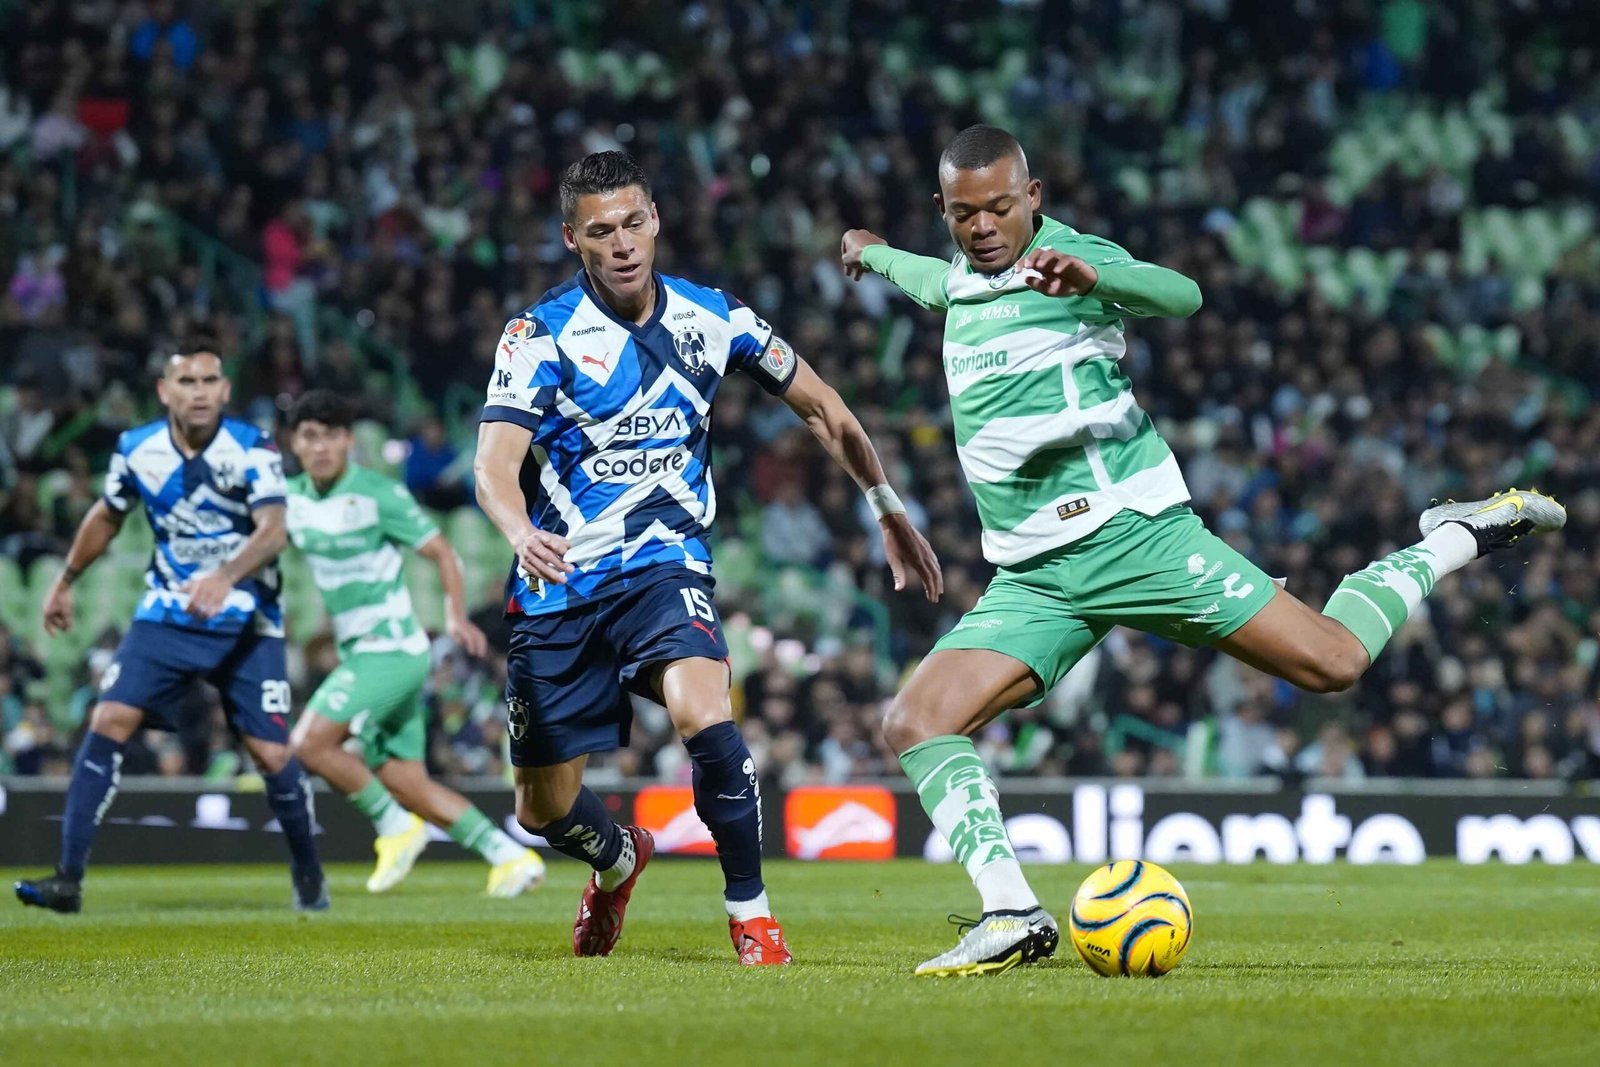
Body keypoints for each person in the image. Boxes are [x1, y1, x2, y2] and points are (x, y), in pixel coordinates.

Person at [840, 124, 1566, 977]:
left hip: (1133, 535)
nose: (986, 227)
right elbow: (934, 284)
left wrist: (1097, 274)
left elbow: (1180, 294)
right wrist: (874, 251)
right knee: (915, 720)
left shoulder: (1069, 260)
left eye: (1003, 206)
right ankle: (1011, 912)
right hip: (1035, 574)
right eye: (966, 215)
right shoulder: (964, 275)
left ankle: (1454, 535)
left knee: (1332, 663)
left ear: (1033, 197)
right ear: (945, 213)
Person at [474, 151, 941, 966]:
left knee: (705, 712)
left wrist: (886, 505)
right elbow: (492, 464)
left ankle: (752, 914)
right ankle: (619, 857)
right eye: (599, 231)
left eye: (632, 223)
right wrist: (519, 532)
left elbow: (825, 411)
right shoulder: (537, 335)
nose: (620, 244)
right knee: (541, 811)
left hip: (664, 568)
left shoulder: (713, 317)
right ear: (570, 239)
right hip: (560, 581)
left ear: (655, 218)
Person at [15, 333, 326, 914]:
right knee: (107, 719)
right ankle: (68, 879)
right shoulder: (136, 449)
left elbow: (273, 530)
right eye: (187, 381)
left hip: (247, 618)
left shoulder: (252, 447)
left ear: (226, 389)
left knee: (271, 755)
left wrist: (224, 578)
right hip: (168, 613)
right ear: (164, 390)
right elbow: (107, 516)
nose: (200, 392)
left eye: (210, 381)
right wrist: (64, 581)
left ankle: (309, 875)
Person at [283, 390, 546, 898]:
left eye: (331, 436)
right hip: (362, 653)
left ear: (347, 441)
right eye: (309, 437)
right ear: (295, 444)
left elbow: (444, 552)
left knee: (310, 744)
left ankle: (393, 826)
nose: (320, 448)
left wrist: (452, 614)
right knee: (405, 780)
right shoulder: (291, 500)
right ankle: (509, 856)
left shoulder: (380, 495)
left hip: (392, 650)